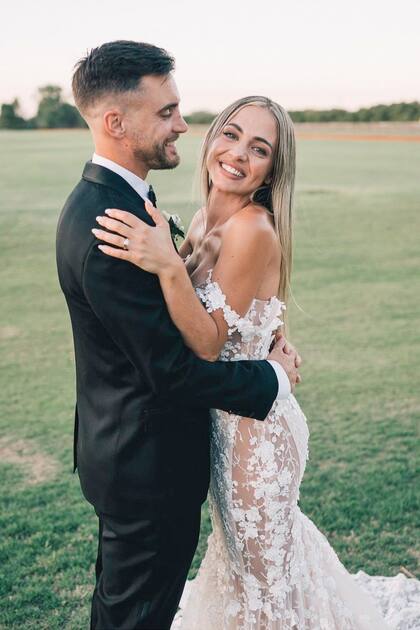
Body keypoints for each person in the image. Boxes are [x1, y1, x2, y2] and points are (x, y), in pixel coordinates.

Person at [95, 96, 395, 628]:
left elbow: (209, 342)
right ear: (212, 138)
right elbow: (256, 312)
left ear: (272, 169)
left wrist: (167, 263)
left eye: (259, 149)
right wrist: (277, 340)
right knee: (246, 572)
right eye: (230, 134)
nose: (237, 154)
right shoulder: (206, 215)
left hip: (254, 443)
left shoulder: (251, 228)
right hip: (221, 425)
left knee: (265, 590)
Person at [56, 41, 301, 630]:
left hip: (188, 449)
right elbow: (173, 369)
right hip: (146, 464)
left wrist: (270, 328)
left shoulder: (126, 203)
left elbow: (236, 304)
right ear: (117, 122)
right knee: (132, 613)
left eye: (258, 147)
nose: (183, 125)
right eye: (166, 112)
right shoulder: (111, 226)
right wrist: (271, 376)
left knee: (245, 591)